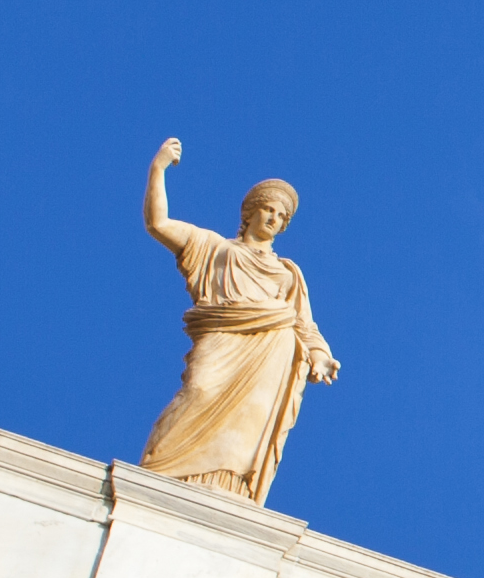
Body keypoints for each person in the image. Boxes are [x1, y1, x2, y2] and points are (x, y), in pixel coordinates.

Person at [136, 136, 339, 506]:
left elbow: (303, 323)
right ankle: (162, 472)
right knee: (199, 391)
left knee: (250, 423)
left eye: (282, 216)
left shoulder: (288, 272)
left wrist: (319, 354)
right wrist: (158, 168)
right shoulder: (214, 248)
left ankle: (230, 488)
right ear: (250, 213)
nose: (275, 219)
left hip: (272, 349)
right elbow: (158, 223)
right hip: (223, 339)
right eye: (270, 211)